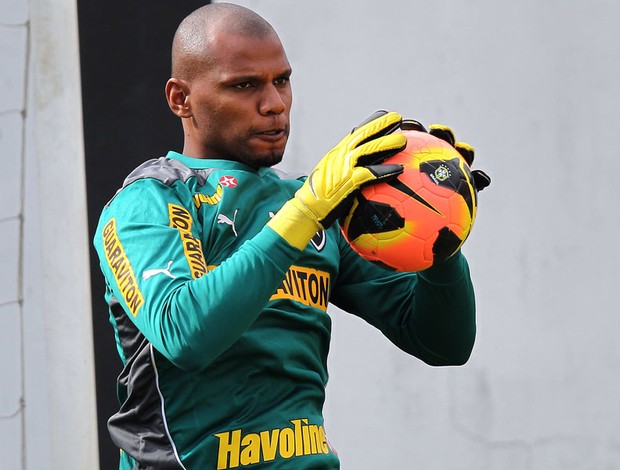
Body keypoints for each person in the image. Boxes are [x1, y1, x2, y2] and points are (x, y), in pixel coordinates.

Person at [93, 3, 490, 469]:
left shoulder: (317, 205)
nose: (274, 103)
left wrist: (440, 229)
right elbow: (186, 334)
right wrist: (306, 211)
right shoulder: (150, 201)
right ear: (181, 99)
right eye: (244, 85)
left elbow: (444, 344)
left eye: (282, 80)